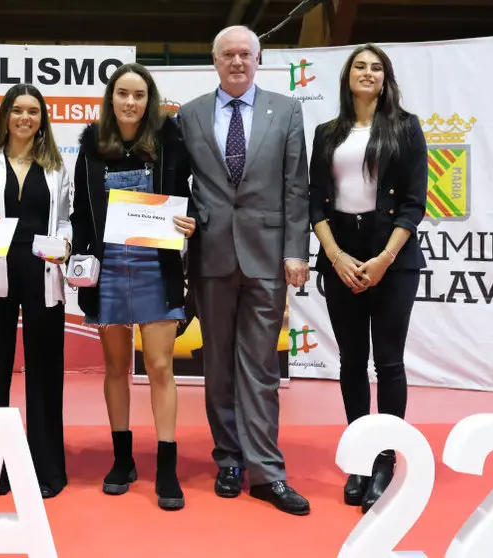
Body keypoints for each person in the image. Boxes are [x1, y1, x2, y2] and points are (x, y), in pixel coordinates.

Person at [178, 25, 311, 515]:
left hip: (268, 256)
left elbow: (296, 186)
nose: (237, 62)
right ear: (214, 61)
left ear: (259, 60)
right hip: (210, 255)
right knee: (217, 368)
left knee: (260, 368)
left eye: (245, 54)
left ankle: (267, 472)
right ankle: (229, 461)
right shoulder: (189, 114)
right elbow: (175, 181)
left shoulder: (286, 110)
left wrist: (296, 251)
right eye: (228, 55)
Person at [70, 63, 197, 511]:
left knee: (160, 367)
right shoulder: (91, 146)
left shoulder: (169, 143)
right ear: (111, 99)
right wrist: (77, 254)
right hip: (108, 270)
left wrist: (190, 220)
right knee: (115, 367)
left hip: (155, 267)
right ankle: (122, 459)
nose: (130, 102)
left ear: (149, 101)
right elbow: (80, 211)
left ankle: (166, 466)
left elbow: (188, 197)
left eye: (138, 95)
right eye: (122, 94)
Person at [308, 44, 427, 513]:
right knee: (352, 362)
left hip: (392, 255)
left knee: (389, 363)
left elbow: (415, 201)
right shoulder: (327, 133)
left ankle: (385, 459)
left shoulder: (405, 127)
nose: (368, 72)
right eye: (360, 66)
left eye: (376, 67)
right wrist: (335, 256)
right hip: (341, 253)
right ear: (347, 76)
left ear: (385, 79)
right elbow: (315, 200)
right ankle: (359, 457)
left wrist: (383, 259)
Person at [0, 84, 72, 499]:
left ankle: (47, 469)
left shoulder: (56, 166)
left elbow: (66, 219)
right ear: (6, 115)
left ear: (42, 119)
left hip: (42, 270)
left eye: (33, 111)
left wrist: (66, 243)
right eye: (18, 110)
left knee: (45, 371)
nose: (25, 118)